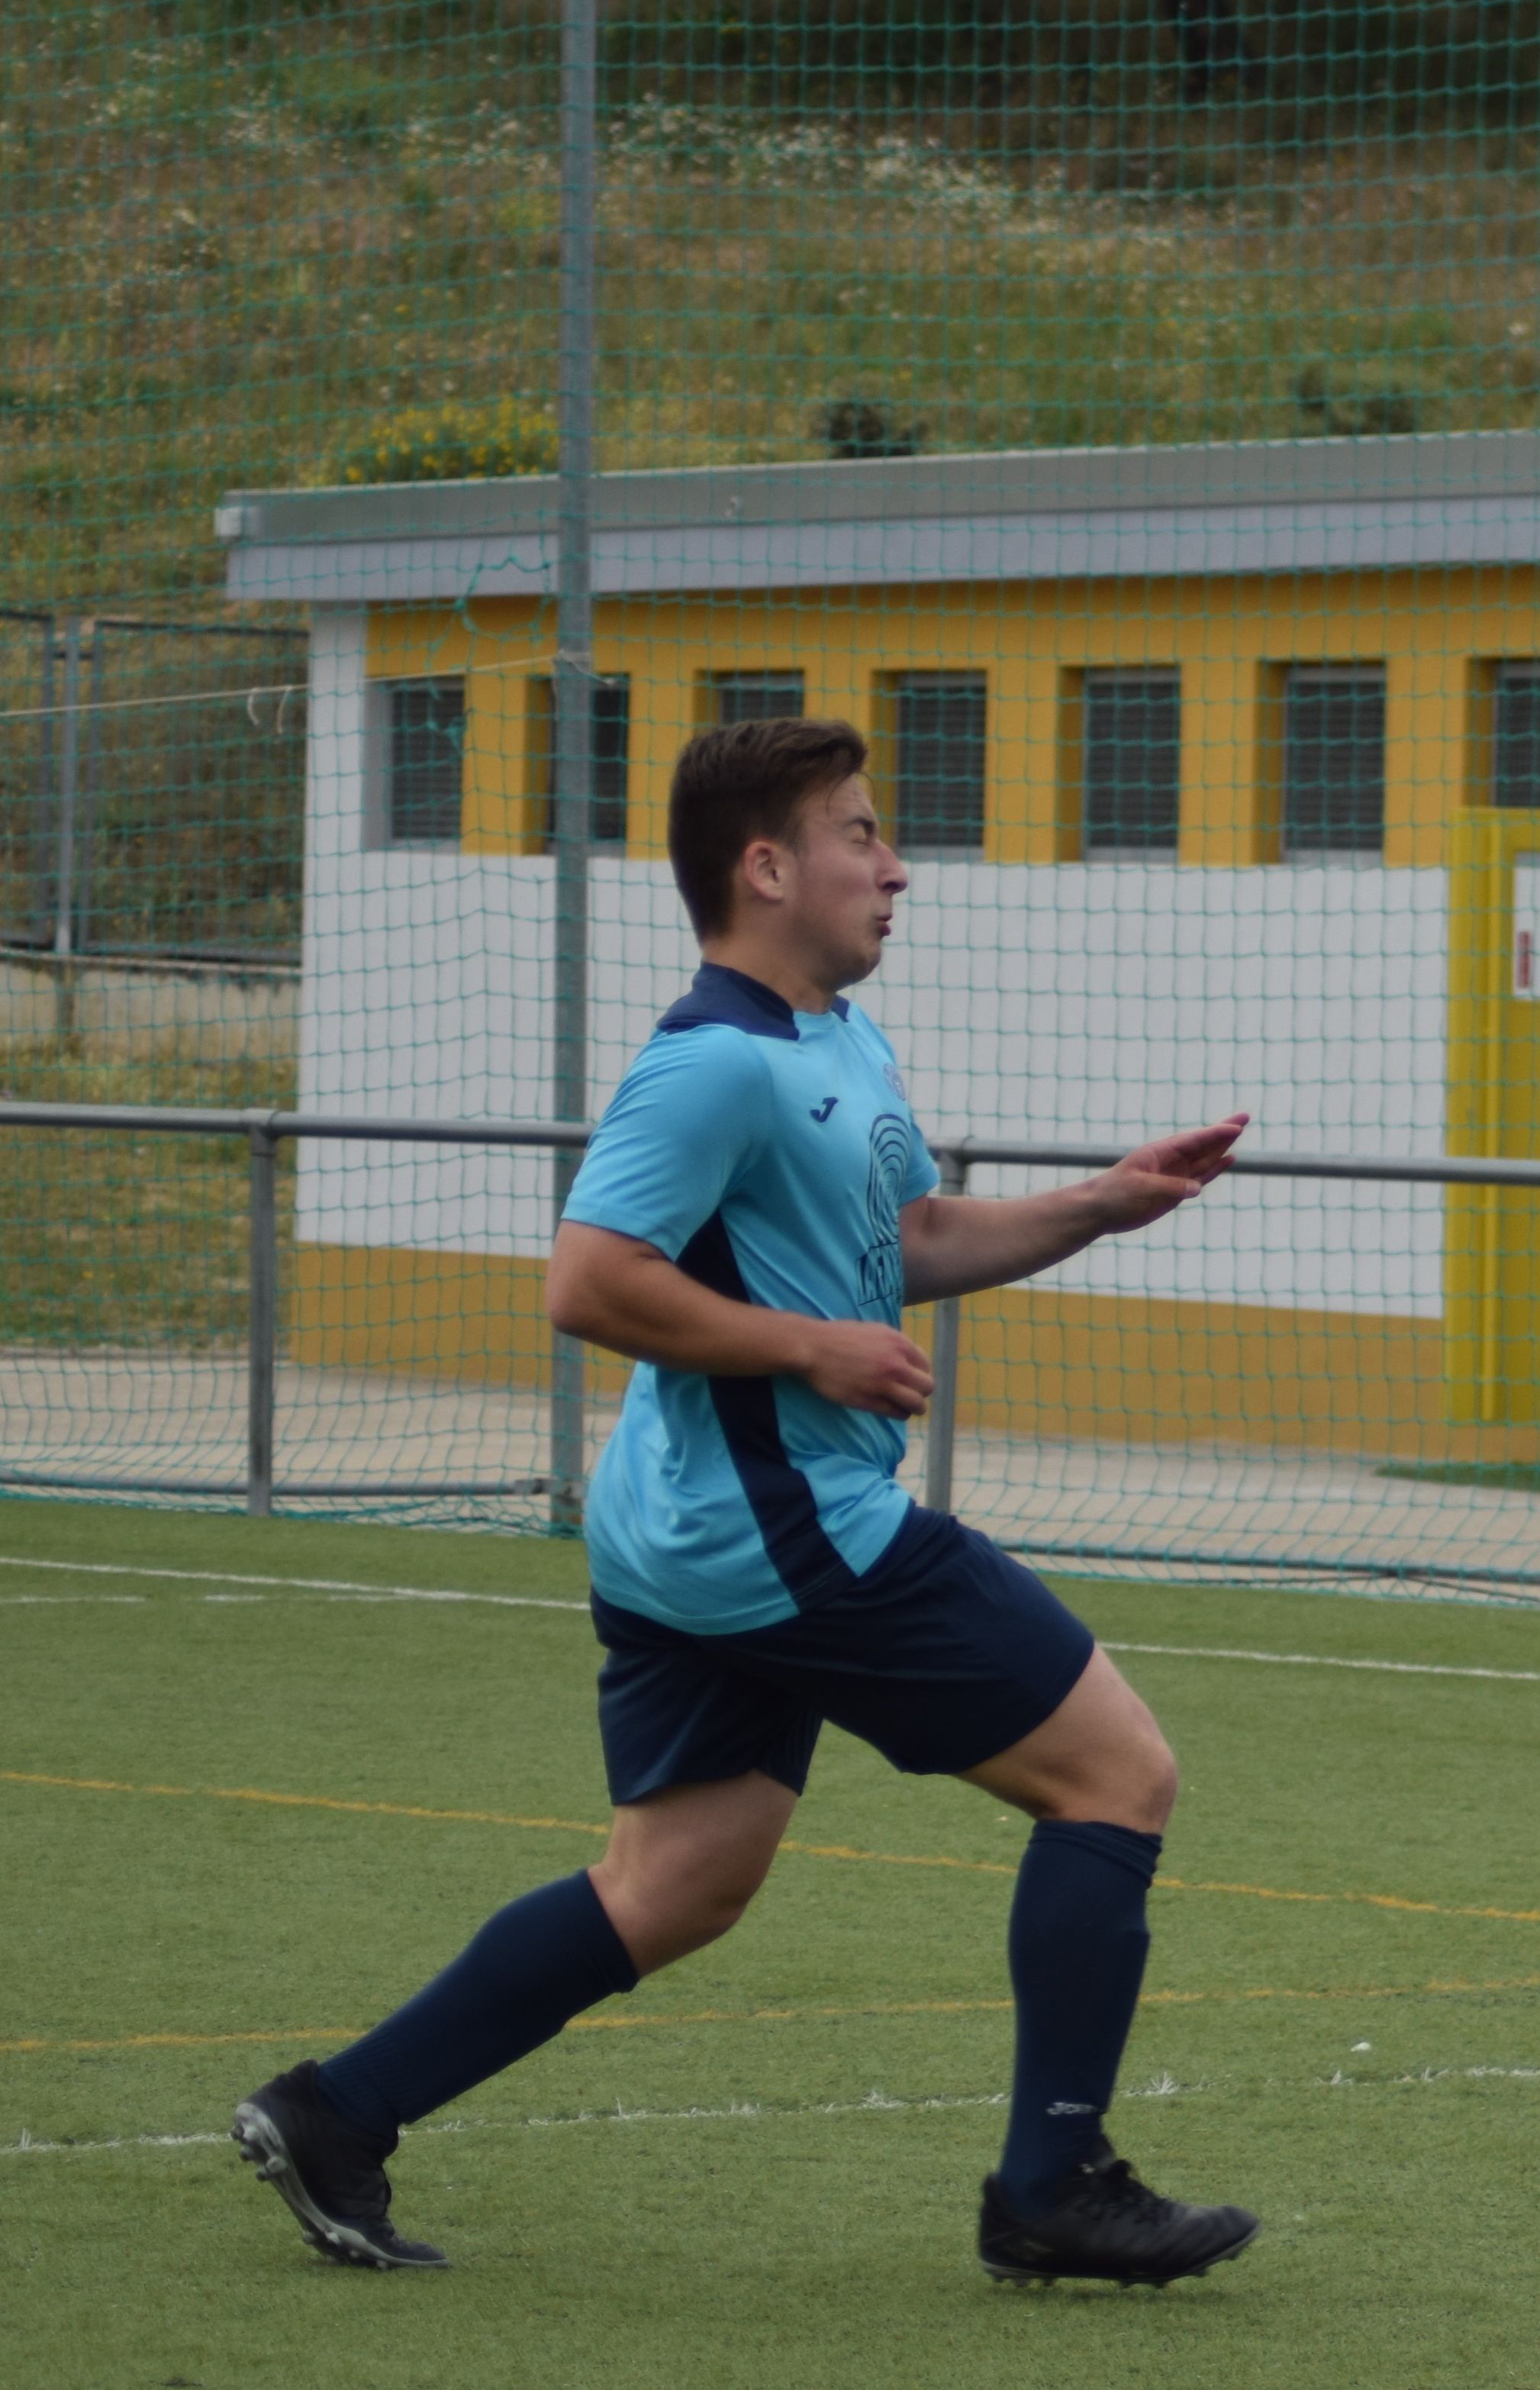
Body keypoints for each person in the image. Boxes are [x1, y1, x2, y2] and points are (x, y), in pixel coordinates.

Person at [233, 716, 1261, 2288]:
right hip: (781, 1528)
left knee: (677, 1883)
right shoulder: (709, 1059)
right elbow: (588, 1279)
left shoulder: (836, 1044)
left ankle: (336, 2110)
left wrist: (1104, 1202)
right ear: (766, 866)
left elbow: (903, 1234)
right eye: (860, 832)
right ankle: (1055, 2181)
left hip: (687, 1530)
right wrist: (812, 1352)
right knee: (1119, 1772)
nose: (895, 864)